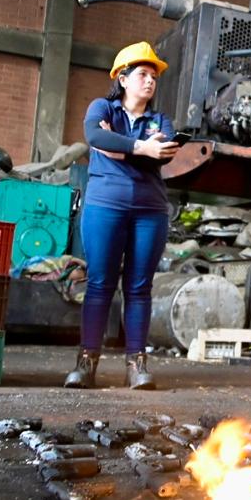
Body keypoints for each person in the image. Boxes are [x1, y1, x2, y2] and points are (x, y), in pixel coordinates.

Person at [64, 42, 180, 391]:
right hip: (105, 206)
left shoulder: (161, 120)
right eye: (143, 74)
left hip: (150, 210)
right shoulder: (103, 108)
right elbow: (93, 136)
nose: (150, 82)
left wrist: (120, 147)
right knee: (99, 283)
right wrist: (142, 146)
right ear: (123, 78)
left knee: (139, 287)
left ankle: (137, 364)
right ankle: (86, 363)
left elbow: (165, 154)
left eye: (154, 77)